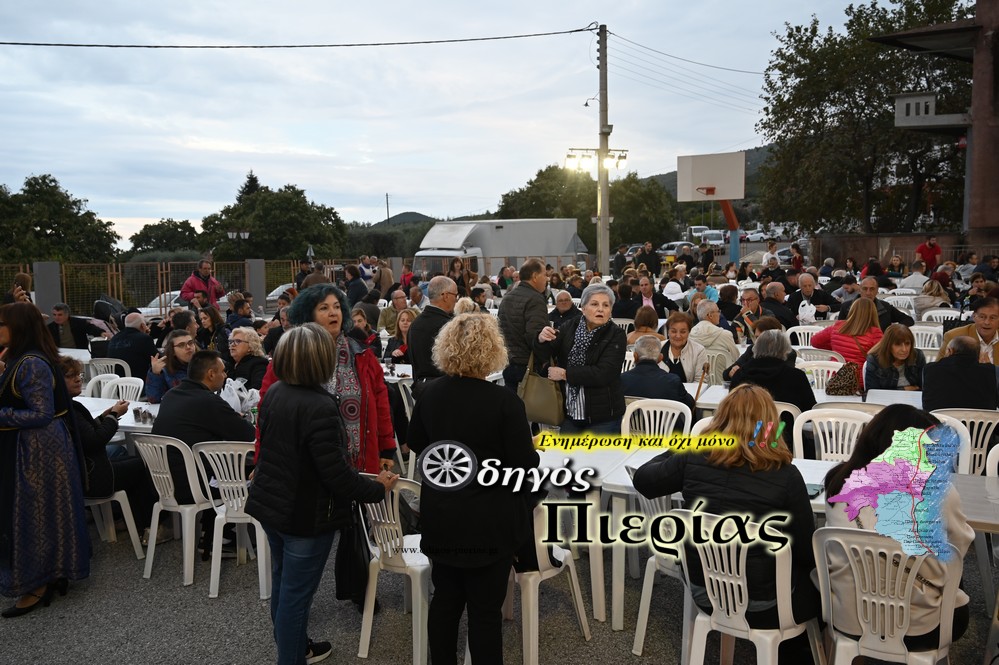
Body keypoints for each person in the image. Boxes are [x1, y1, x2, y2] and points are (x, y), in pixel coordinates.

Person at [246, 324, 398, 665]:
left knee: (284, 585)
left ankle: (297, 648)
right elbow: (336, 475)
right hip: (304, 514)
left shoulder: (275, 394)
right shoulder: (320, 405)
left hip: (274, 504)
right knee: (296, 597)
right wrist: (377, 489)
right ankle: (291, 656)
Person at [633, 384, 820, 645]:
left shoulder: (693, 457)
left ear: (720, 418)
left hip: (704, 591)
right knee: (821, 587)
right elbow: (806, 551)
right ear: (769, 424)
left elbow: (643, 479)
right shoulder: (786, 474)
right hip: (764, 603)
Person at [407, 313, 539, 665]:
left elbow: (418, 443)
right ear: (493, 351)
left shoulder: (429, 394)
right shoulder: (505, 402)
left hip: (443, 515)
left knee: (445, 602)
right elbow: (525, 465)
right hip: (489, 522)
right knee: (484, 612)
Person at [823, 405, 974, 649]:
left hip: (849, 617)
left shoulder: (838, 482)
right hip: (918, 625)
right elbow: (960, 547)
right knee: (955, 572)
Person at [0, 302, 89, 617]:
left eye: (3, 323)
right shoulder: (24, 358)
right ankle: (50, 575)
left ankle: (37, 584)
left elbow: (41, 413)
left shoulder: (31, 363)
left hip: (37, 448)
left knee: (33, 513)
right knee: (43, 512)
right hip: (38, 445)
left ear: (18, 327)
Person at [258, 284, 396, 475]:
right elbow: (267, 412)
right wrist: (261, 460)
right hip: (305, 466)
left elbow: (381, 404)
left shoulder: (362, 355)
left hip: (359, 461)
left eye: (337, 306)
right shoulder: (290, 355)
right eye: (324, 308)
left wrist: (387, 448)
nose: (333, 313)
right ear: (308, 314)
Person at [59, 356, 157, 537]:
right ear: (56, 380)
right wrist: (112, 416)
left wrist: (105, 417)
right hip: (92, 477)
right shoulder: (70, 408)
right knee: (140, 465)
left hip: (79, 473)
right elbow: (95, 441)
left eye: (78, 374)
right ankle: (147, 525)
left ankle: (123, 517)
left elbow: (85, 435)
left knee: (130, 458)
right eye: (70, 376)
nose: (78, 379)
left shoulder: (60, 407)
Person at [535, 283, 626, 434]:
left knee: (598, 458)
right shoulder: (570, 326)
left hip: (603, 416)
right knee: (566, 456)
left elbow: (604, 373)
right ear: (583, 308)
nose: (600, 309)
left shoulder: (616, 335)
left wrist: (565, 374)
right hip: (571, 412)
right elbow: (547, 352)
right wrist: (541, 339)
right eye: (594, 304)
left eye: (606, 305)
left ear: (611, 310)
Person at [497, 260, 550, 394]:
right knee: (531, 412)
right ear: (534, 276)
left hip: (509, 362)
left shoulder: (507, 297)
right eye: (544, 275)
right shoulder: (535, 299)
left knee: (513, 410)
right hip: (528, 367)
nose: (547, 278)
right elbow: (536, 336)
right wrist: (545, 360)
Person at [620, 335, 695, 413]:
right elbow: (689, 404)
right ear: (660, 358)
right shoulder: (672, 381)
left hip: (629, 424)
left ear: (635, 356)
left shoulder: (621, 380)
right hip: (665, 425)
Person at [409, 276, 458, 398]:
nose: (456, 300)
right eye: (455, 295)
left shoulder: (415, 324)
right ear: (445, 296)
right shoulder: (449, 326)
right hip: (445, 394)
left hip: (421, 391)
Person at [924, 336, 999, 412]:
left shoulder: (930, 369)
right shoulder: (992, 372)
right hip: (983, 423)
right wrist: (990, 368)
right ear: (978, 354)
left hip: (941, 422)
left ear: (950, 351)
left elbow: (927, 403)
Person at [937, 296, 999, 365]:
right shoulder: (954, 337)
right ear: (974, 317)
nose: (987, 322)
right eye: (982, 317)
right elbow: (939, 369)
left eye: (992, 318)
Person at [864, 323, 925, 391]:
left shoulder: (917, 356)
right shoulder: (874, 360)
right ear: (888, 345)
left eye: (907, 344)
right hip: (884, 401)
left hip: (913, 400)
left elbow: (925, 387)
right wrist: (903, 389)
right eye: (898, 344)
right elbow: (872, 393)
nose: (904, 349)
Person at [838, 277, 914, 331]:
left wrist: (894, 330)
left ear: (877, 291)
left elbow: (908, 319)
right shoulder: (847, 306)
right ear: (860, 290)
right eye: (865, 289)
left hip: (880, 346)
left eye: (872, 289)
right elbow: (839, 327)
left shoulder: (885, 307)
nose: (868, 293)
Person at [145, 329, 197, 403]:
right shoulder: (164, 370)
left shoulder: (203, 364)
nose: (188, 347)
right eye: (181, 345)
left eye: (190, 343)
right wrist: (155, 374)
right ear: (173, 351)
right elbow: (153, 399)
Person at [108, 312, 158, 381]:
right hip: (137, 382)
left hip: (116, 381)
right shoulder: (144, 339)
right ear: (143, 325)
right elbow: (156, 358)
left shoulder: (114, 338)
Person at [688, 301, 739, 369]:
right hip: (723, 378)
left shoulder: (690, 335)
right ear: (710, 315)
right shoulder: (725, 335)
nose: (719, 314)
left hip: (698, 378)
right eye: (718, 311)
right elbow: (736, 358)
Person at [227, 326, 269, 391]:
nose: (232, 344)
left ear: (250, 346)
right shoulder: (229, 364)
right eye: (231, 341)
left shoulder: (258, 364)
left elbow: (257, 389)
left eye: (238, 341)